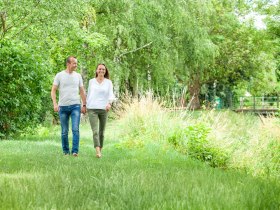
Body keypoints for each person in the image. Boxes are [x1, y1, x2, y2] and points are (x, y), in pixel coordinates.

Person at [51, 56, 86, 157]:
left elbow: (82, 91)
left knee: (75, 129)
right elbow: (53, 90)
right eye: (74, 63)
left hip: (75, 105)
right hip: (63, 107)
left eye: (76, 63)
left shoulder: (78, 76)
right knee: (64, 131)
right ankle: (66, 152)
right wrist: (55, 103)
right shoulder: (59, 75)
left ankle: (75, 151)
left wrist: (84, 105)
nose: (76, 65)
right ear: (68, 64)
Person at [87, 63, 115, 158]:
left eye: (103, 69)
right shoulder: (91, 81)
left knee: (101, 132)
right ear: (96, 70)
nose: (101, 71)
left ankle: (100, 149)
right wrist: (85, 105)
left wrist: (109, 103)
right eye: (99, 69)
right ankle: (97, 151)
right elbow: (89, 94)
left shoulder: (108, 82)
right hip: (92, 109)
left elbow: (111, 94)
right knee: (95, 131)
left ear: (105, 71)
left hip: (104, 109)